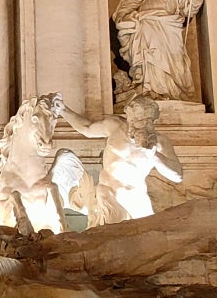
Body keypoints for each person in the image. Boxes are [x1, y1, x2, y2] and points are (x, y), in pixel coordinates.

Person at [59, 96, 183, 225]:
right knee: (111, 238)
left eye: (145, 122)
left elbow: (177, 175)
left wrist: (154, 155)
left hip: (135, 196)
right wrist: (63, 110)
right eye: (134, 119)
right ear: (129, 116)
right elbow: (87, 128)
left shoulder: (159, 142)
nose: (137, 124)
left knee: (149, 238)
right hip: (108, 192)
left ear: (152, 122)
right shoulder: (115, 126)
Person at [112, 0, 204, 102]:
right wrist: (123, 14)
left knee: (173, 59)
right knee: (149, 54)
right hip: (147, 20)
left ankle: (171, 91)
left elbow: (186, 5)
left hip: (169, 24)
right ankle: (150, 89)